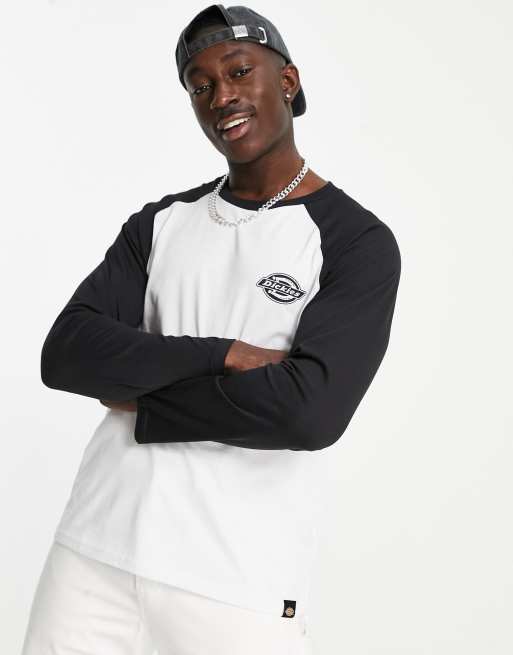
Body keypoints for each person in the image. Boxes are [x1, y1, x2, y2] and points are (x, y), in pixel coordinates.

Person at [21, 5, 401, 655]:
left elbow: (309, 412)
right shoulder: (159, 224)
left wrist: (140, 398)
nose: (220, 95)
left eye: (238, 71)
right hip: (94, 550)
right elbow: (66, 354)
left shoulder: (355, 241)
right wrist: (224, 353)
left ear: (287, 81)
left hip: (235, 578)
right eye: (199, 85)